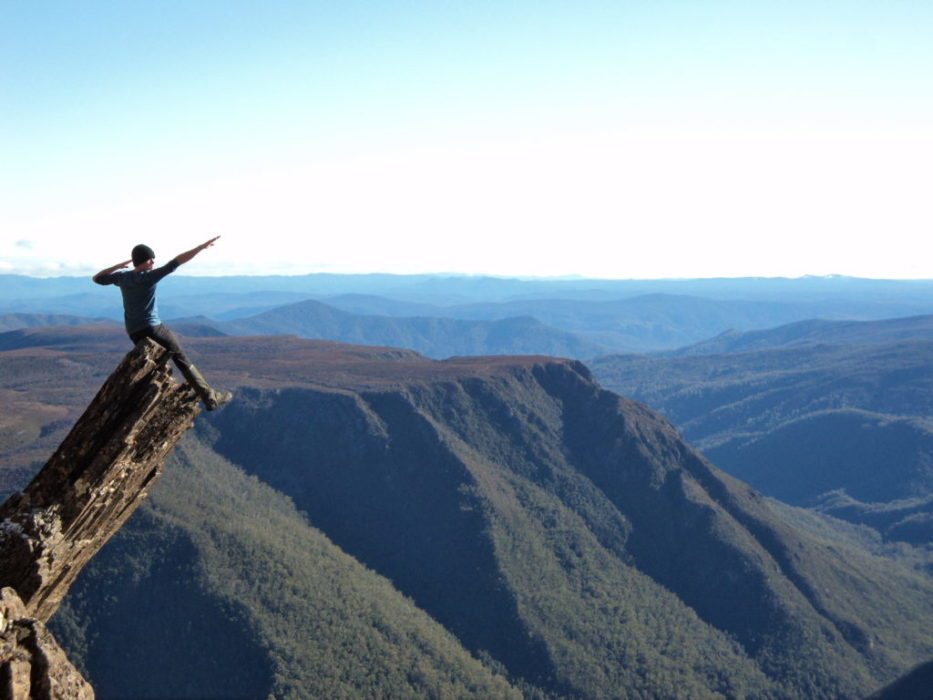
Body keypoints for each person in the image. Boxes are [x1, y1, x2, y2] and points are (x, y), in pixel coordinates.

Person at [93, 236, 233, 410]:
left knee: (154, 364)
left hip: (133, 331)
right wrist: (200, 248)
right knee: (180, 357)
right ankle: (210, 397)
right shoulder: (149, 277)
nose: (153, 262)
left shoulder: (122, 278)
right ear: (144, 261)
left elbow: (97, 278)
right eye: (150, 259)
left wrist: (119, 266)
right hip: (153, 327)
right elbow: (176, 262)